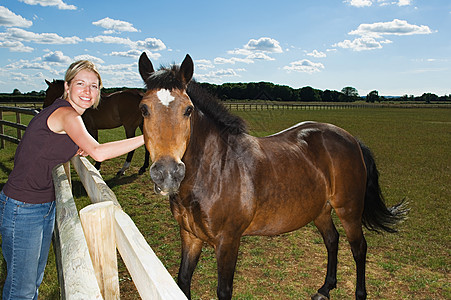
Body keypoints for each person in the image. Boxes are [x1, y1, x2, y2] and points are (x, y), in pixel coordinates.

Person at [0, 60, 144, 299]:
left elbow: (54, 144)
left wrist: (75, 146)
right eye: (81, 84)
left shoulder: (65, 113)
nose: (88, 91)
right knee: (21, 290)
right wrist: (148, 137)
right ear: (67, 87)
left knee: (32, 283)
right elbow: (98, 152)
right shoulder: (67, 114)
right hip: (23, 208)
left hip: (41, 205)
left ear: (100, 92)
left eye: (94, 86)